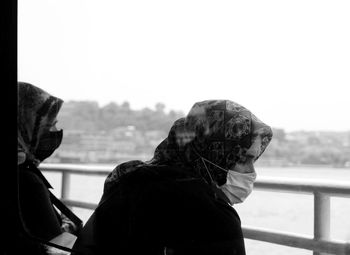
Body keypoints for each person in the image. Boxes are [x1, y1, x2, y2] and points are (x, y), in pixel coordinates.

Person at [73, 99, 273, 255]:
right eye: (243, 159)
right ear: (216, 152)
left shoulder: (129, 178)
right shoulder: (214, 216)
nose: (251, 172)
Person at [16, 82, 81, 255]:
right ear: (25, 129)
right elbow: (58, 247)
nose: (55, 131)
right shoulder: (26, 180)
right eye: (48, 126)